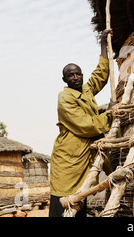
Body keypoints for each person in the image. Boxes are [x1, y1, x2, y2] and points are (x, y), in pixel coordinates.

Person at [49, 28, 115, 217]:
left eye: (78, 74)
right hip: (69, 159)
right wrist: (109, 114)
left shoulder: (85, 90)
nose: (76, 77)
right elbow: (85, 125)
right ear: (64, 79)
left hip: (84, 155)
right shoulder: (65, 98)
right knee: (63, 201)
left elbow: (100, 75)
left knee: (81, 198)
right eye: (71, 75)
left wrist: (103, 43)